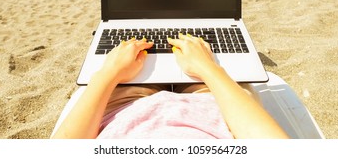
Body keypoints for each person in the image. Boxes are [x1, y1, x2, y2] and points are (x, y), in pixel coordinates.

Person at [52, 34, 289, 139]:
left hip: (125, 107)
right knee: (195, 57)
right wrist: (208, 69)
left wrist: (108, 74)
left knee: (141, 61)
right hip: (214, 107)